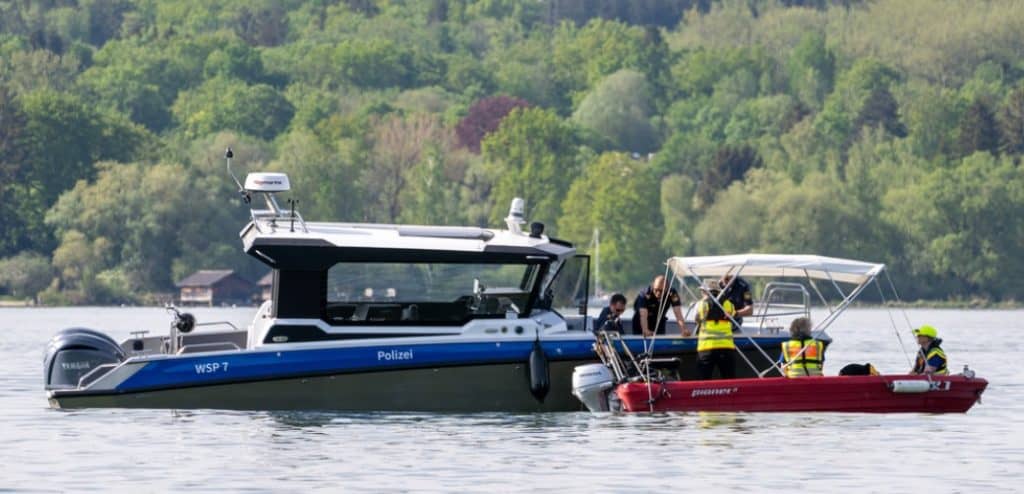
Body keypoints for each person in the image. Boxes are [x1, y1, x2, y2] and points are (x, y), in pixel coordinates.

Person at [695, 282, 736, 380]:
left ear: (706, 292)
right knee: (729, 380)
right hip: (726, 347)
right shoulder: (729, 305)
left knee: (703, 381)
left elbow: (696, 320)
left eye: (703, 292)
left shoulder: (701, 305)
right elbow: (733, 315)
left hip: (706, 348)